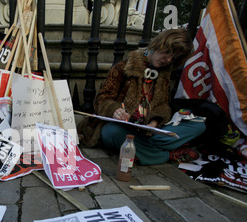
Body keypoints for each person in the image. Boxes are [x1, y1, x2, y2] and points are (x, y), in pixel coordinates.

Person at [78, 28, 206, 165]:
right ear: (159, 45)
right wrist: (115, 111)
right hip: (122, 128)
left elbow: (163, 106)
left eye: (173, 58)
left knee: (198, 125)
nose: (168, 60)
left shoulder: (164, 74)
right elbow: (101, 99)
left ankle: (144, 149)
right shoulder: (123, 67)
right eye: (167, 52)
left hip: (147, 132)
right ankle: (166, 155)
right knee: (111, 132)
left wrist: (154, 123)